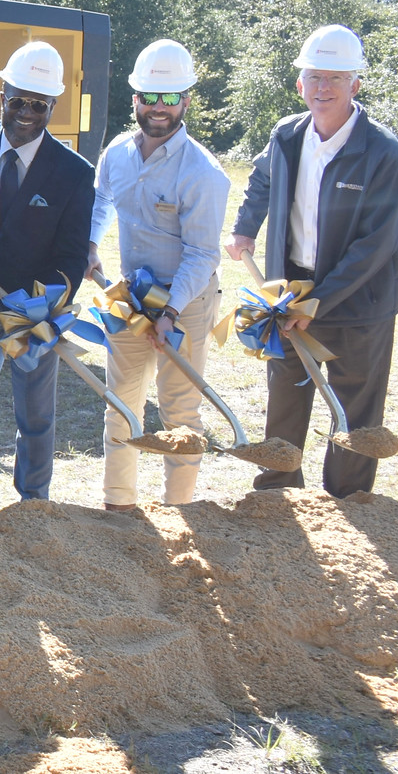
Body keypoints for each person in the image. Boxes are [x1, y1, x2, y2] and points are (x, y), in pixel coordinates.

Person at [228, 24, 398, 498]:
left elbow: (376, 244)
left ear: (356, 84)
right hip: (288, 291)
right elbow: (262, 181)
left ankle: (347, 502)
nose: (324, 88)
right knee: (285, 394)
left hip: (357, 302)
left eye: (336, 77)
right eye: (315, 77)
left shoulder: (382, 152)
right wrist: (245, 226)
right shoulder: (286, 135)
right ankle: (277, 490)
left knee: (353, 408)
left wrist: (319, 302)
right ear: (299, 84)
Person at [0, 41, 94, 513]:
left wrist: (36, 304)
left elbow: (72, 255)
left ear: (53, 106)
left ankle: (34, 500)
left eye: (39, 104)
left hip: (35, 309)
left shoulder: (73, 172)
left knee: (35, 408)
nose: (26, 113)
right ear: (2, 95)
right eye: (18, 101)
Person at [90, 39, 231, 511]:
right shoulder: (116, 153)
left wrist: (170, 312)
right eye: (149, 97)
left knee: (180, 412)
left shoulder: (203, 172)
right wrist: (91, 244)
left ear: (186, 101)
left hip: (186, 302)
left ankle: (180, 512)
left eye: (169, 98)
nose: (158, 108)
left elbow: (202, 254)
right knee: (121, 404)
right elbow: (103, 200)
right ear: (135, 99)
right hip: (132, 299)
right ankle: (119, 506)